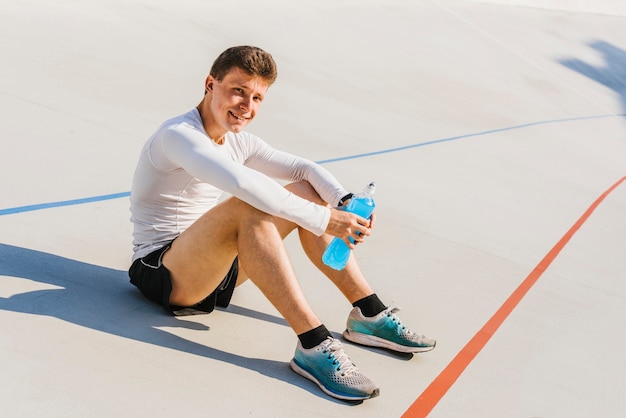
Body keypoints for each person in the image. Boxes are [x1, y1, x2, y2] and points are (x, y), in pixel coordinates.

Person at [128, 45, 435, 401]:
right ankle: (313, 345)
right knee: (248, 206)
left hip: (215, 270)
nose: (247, 105)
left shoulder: (237, 140)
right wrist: (326, 220)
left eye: (257, 97)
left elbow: (304, 170)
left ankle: (368, 313)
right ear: (210, 84)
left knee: (308, 191)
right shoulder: (179, 135)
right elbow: (243, 185)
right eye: (238, 90)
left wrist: (342, 201)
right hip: (163, 272)